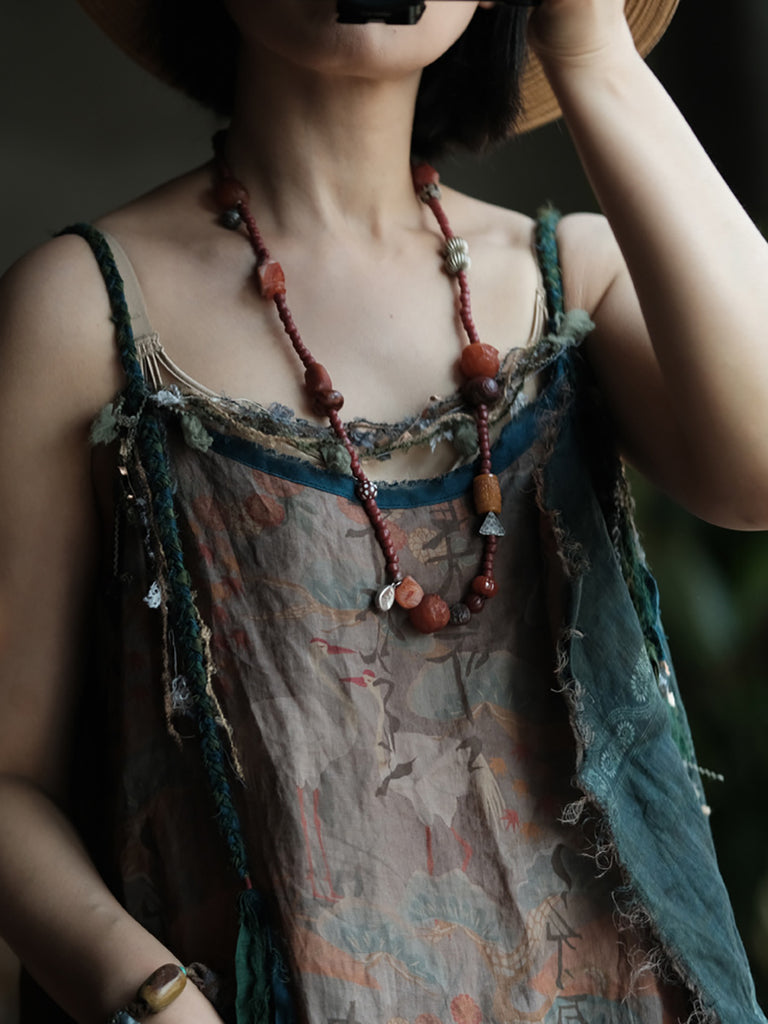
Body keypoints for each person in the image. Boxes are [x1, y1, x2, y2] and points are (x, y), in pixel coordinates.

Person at [0, 0, 766, 1022]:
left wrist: (591, 48)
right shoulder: (83, 312)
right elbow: (10, 779)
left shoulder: (574, 278)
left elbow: (757, 472)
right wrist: (150, 995)